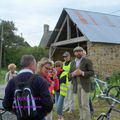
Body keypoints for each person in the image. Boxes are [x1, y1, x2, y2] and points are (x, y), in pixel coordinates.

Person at [3, 55, 53, 120]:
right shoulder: (40, 80)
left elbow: (6, 105)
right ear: (31, 65)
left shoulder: (11, 82)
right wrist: (41, 115)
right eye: (35, 64)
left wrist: (18, 113)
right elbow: (48, 105)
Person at [69, 46, 94, 120]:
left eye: (80, 51)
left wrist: (82, 73)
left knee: (85, 104)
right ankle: (81, 117)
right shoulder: (72, 63)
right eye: (76, 51)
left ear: (82, 52)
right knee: (80, 104)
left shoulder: (87, 61)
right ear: (74, 53)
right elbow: (69, 74)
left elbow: (92, 72)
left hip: (85, 85)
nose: (78, 52)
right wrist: (73, 74)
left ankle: (87, 118)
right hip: (76, 85)